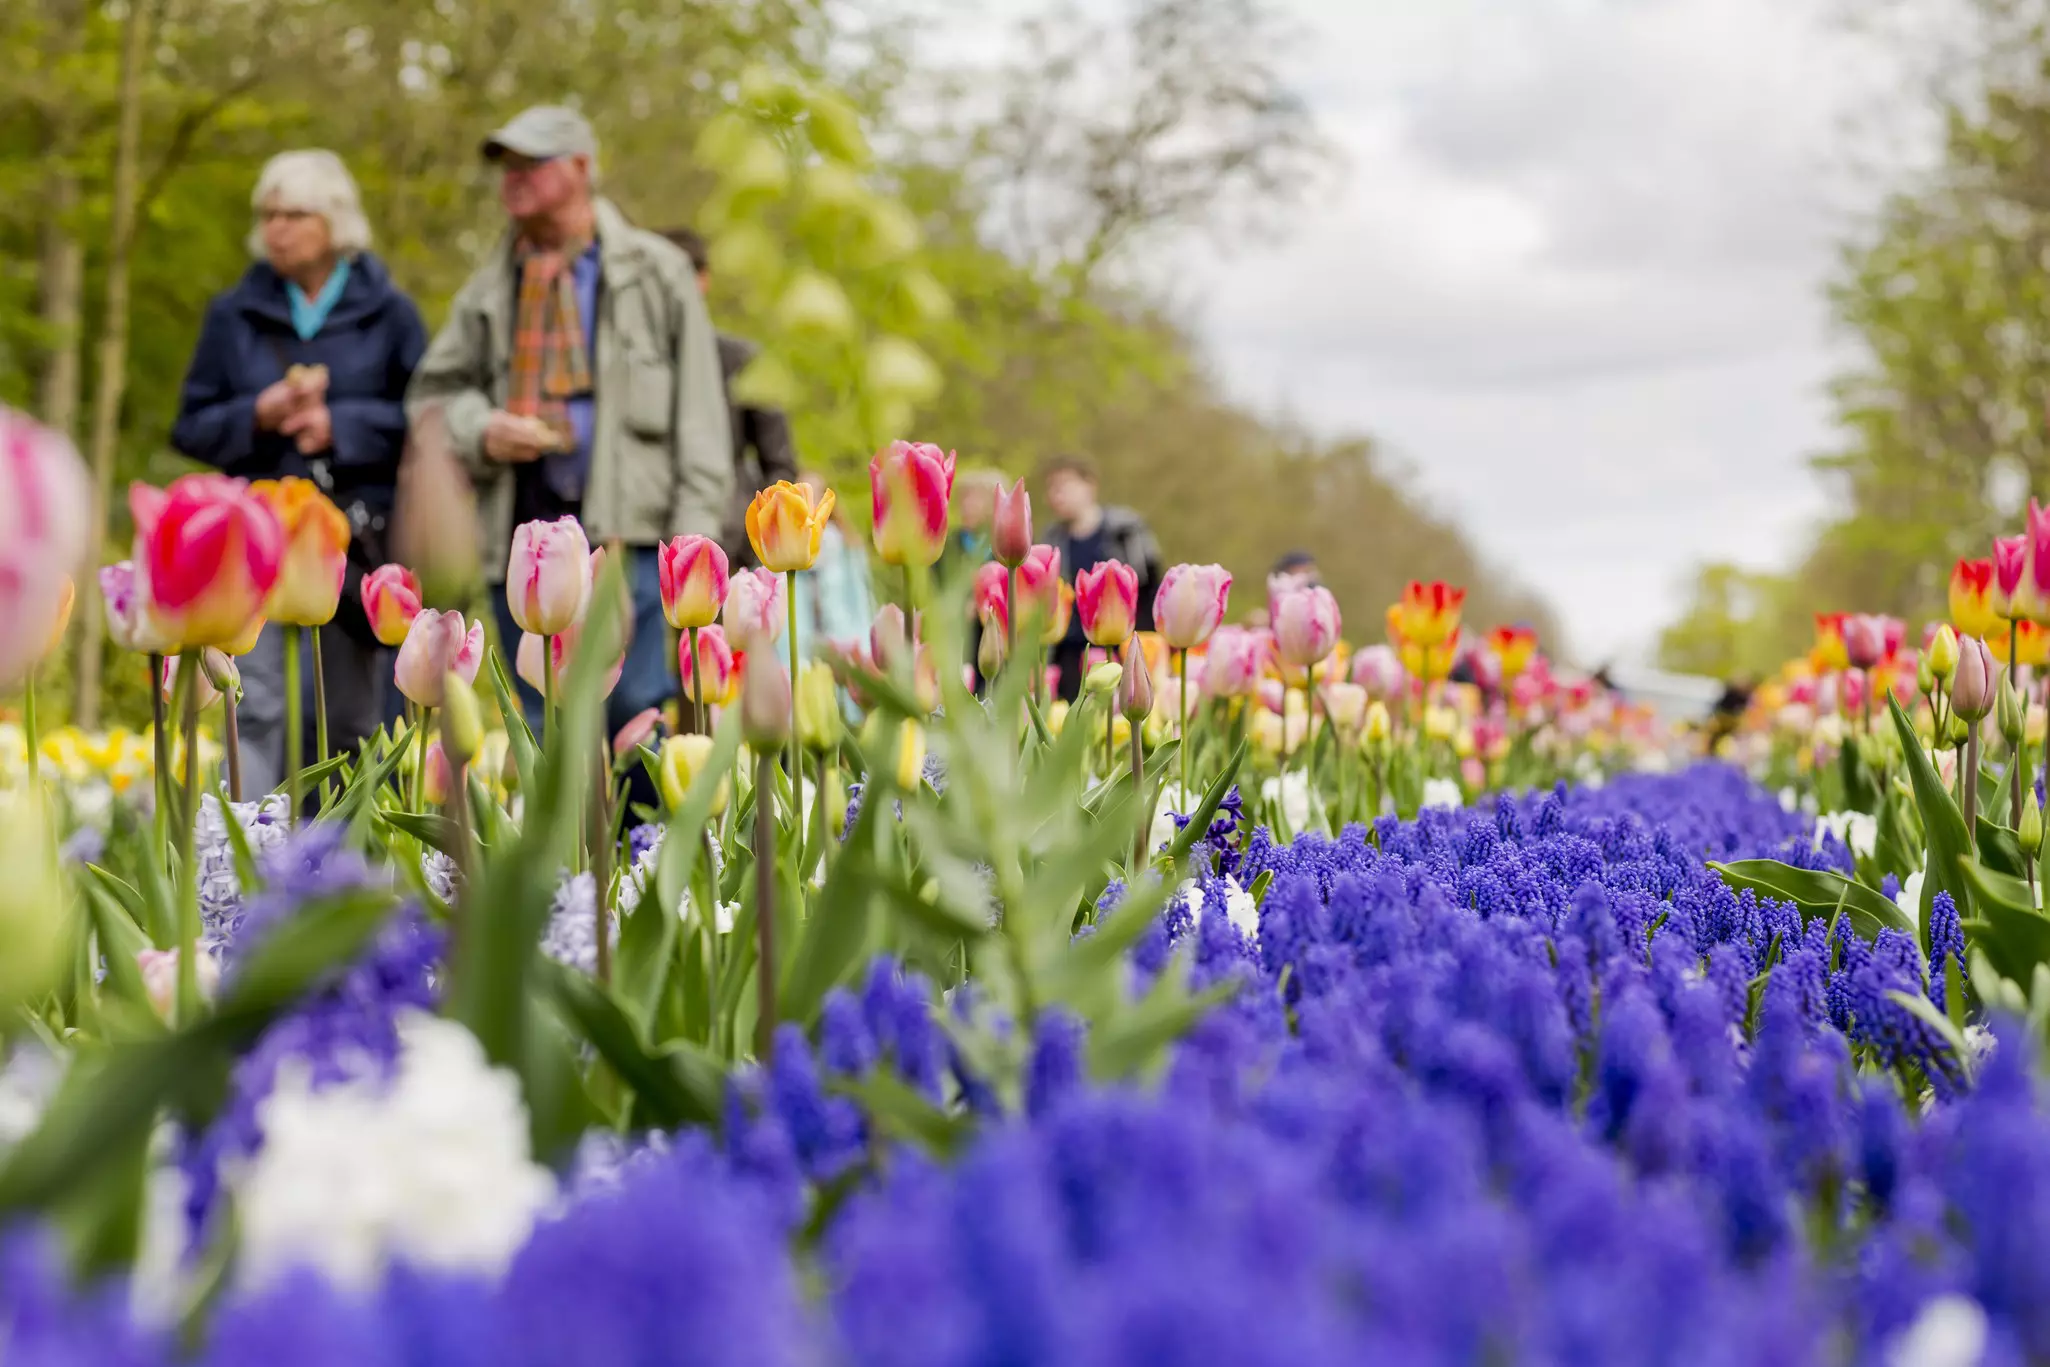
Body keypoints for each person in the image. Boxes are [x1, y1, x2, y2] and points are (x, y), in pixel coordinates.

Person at [407, 106, 734, 737]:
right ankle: (560, 841)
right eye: (507, 166)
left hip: (633, 536)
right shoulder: (487, 289)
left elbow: (701, 419)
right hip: (524, 535)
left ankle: (645, 843)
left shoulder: (658, 273)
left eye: (533, 163)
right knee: (542, 716)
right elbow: (432, 395)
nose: (514, 179)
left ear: (582, 168)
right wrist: (483, 430)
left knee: (636, 714)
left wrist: (693, 551)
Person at [171, 149, 426, 795]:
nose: (276, 228)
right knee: (251, 708)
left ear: (334, 222)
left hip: (348, 542)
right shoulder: (234, 314)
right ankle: (243, 865)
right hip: (252, 539)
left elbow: (428, 420)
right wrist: (259, 412)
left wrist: (343, 426)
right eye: (268, 215)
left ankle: (343, 867)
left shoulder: (390, 313)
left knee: (344, 718)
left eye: (294, 214)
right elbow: (191, 424)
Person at [658, 227, 800, 570]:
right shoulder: (632, 367)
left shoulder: (744, 360)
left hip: (728, 543)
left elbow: (780, 465)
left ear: (702, 280)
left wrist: (757, 538)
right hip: (643, 542)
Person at [1038, 453, 1163, 702]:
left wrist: (1142, 646)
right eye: (1051, 488)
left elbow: (1150, 586)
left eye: (1064, 485)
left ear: (1089, 486)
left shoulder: (1126, 530)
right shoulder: (1050, 539)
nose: (1056, 495)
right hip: (1070, 649)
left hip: (1124, 644)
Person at [791, 469, 876, 715]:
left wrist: (862, 645)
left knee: (842, 709)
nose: (810, 501)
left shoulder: (847, 546)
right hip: (803, 641)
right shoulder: (786, 547)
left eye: (815, 493)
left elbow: (861, 599)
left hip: (841, 637)